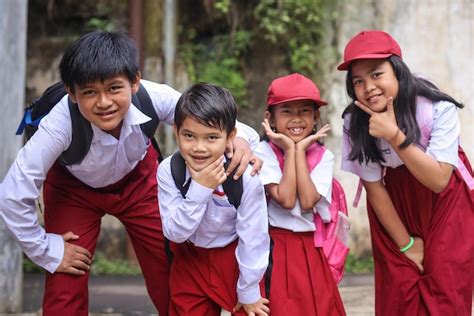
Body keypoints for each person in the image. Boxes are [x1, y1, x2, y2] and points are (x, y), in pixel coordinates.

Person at [0, 31, 262, 316]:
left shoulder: (153, 96)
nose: (104, 102)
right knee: (65, 281)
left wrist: (242, 140)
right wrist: (45, 249)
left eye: (114, 88)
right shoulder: (58, 125)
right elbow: (13, 194)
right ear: (72, 93)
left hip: (139, 181)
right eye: (89, 92)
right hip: (72, 190)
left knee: (170, 269)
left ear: (135, 81)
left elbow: (213, 119)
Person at [339, 30, 473, 315]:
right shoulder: (355, 121)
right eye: (358, 81)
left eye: (377, 75)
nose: (369, 87)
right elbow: (375, 188)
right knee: (399, 293)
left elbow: (439, 180)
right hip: (393, 201)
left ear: (398, 70)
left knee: (446, 290)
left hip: (445, 200)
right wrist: (407, 244)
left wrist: (394, 136)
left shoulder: (436, 107)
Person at [157, 82, 270, 316]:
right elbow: (175, 232)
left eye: (211, 137)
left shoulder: (244, 175)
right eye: (189, 135)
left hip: (235, 257)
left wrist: (248, 289)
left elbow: (254, 234)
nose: (199, 148)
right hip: (189, 259)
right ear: (176, 130)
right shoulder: (169, 170)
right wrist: (200, 188)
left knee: (251, 310)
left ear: (230, 137)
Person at [255, 73, 346, 316]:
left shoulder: (323, 156)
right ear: (270, 119)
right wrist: (290, 148)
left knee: (317, 307)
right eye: (286, 111)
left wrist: (298, 150)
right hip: (275, 247)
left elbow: (307, 201)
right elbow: (285, 199)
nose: (296, 118)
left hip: (311, 248)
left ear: (315, 118)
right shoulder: (263, 151)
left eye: (305, 111)